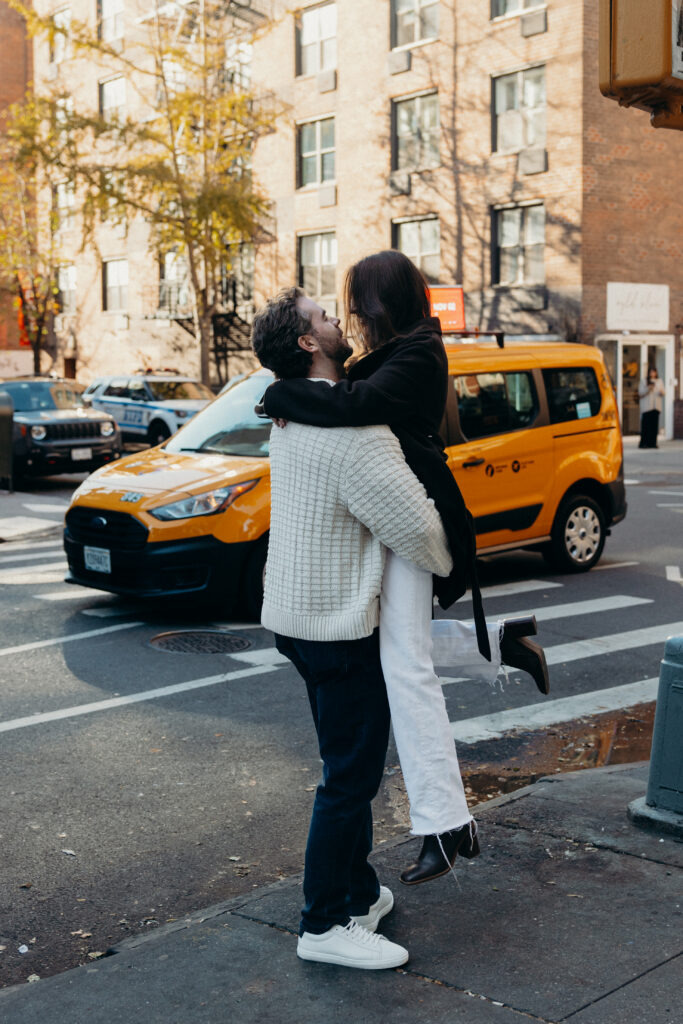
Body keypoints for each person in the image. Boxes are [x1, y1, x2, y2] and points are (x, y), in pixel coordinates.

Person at [260, 250, 549, 886]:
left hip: (419, 514)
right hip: (389, 518)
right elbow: (338, 391)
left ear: (382, 301)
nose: (350, 316)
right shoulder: (392, 351)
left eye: (356, 304)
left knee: (404, 667)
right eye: (337, 311)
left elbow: (352, 403)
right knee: (391, 648)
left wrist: (281, 392)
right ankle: (500, 645)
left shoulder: (420, 354)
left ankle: (446, 824)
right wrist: (293, 393)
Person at [251, 286, 455, 969]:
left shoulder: (291, 415)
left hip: (296, 616)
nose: (338, 320)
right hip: (338, 628)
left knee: (343, 767)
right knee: (348, 780)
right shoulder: (352, 432)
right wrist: (448, 562)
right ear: (308, 342)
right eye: (323, 317)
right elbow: (418, 529)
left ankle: (358, 893)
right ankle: (322, 924)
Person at [639, 366, 665, 449]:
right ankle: (644, 443)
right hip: (647, 407)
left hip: (656, 407)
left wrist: (661, 392)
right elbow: (640, 393)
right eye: (651, 372)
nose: (652, 374)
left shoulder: (659, 381)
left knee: (654, 427)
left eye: (654, 372)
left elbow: (663, 392)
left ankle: (653, 443)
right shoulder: (644, 381)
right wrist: (648, 388)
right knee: (646, 427)